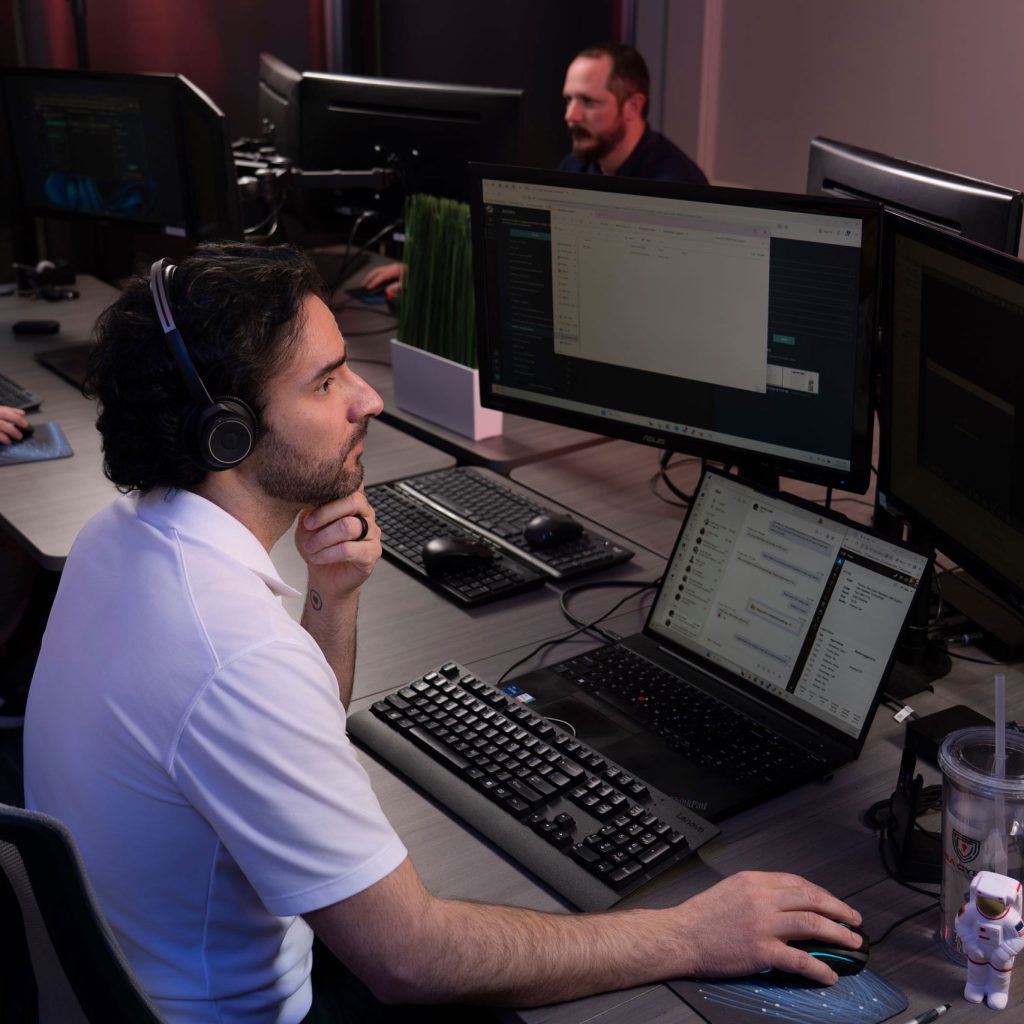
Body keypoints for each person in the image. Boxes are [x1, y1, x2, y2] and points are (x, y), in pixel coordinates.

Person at [24, 242, 863, 1024]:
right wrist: (690, 933)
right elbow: (411, 960)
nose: (367, 399)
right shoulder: (237, 655)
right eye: (326, 383)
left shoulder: (117, 536)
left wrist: (334, 598)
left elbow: (293, 721)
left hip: (126, 978)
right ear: (227, 433)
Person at [560, 42, 707, 183]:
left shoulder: (677, 184)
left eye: (588, 102)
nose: (570, 116)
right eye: (569, 100)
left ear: (633, 106)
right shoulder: (573, 167)